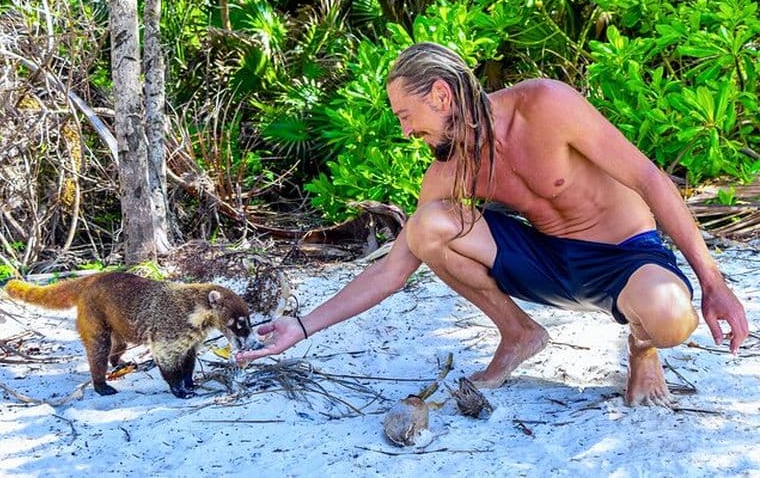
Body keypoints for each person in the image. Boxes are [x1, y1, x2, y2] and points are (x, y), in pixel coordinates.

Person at [236, 42, 749, 406]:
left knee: (669, 316)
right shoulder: (449, 170)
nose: (406, 130)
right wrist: (301, 327)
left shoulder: (545, 106)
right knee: (427, 224)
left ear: (441, 96)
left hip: (626, 258)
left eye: (405, 114)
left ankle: (641, 345)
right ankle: (518, 332)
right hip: (549, 263)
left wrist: (713, 282)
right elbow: (393, 270)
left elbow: (650, 179)